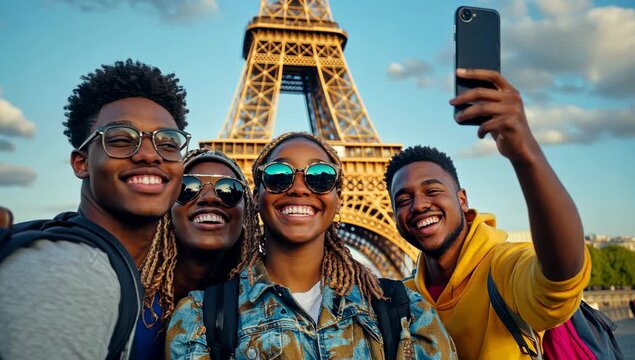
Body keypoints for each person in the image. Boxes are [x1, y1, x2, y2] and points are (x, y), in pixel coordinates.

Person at [167, 132, 457, 359]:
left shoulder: (406, 311)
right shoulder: (198, 318)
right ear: (255, 197)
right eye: (279, 175)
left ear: (338, 199)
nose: (299, 187)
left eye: (321, 177)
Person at [384, 69, 591, 359]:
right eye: (403, 199)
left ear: (463, 199)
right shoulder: (403, 296)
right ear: (394, 216)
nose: (418, 205)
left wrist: (525, 154)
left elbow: (561, 278)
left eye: (432, 191)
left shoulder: (503, 267)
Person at [0, 59, 190, 359]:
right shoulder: (72, 276)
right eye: (120, 139)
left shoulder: (94, 261)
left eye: (167, 143)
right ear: (81, 162)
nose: (149, 154)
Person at [134, 147, 255, 359]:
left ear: (248, 215)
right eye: (187, 188)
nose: (209, 198)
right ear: (167, 211)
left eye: (229, 190)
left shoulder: (258, 306)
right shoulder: (126, 294)